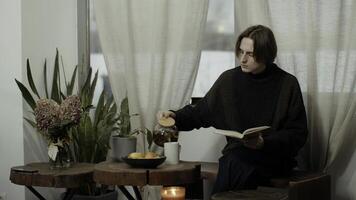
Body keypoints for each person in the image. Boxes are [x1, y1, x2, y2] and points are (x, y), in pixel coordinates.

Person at [157, 25, 308, 193]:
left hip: (274, 159)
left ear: (266, 54)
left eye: (250, 54)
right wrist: (174, 116)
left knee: (235, 163)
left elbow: (298, 134)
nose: (242, 59)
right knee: (234, 161)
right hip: (238, 156)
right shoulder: (229, 80)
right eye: (241, 52)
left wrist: (264, 143)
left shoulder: (287, 84)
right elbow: (201, 112)